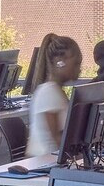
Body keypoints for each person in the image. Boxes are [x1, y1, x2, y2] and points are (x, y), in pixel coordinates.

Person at [24, 34, 83, 163]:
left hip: (53, 162)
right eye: (76, 63)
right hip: (45, 164)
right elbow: (59, 141)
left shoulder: (56, 91)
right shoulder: (49, 92)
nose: (79, 69)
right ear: (60, 62)